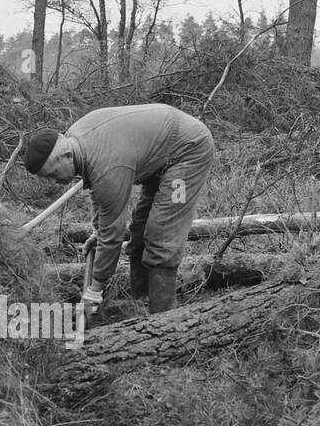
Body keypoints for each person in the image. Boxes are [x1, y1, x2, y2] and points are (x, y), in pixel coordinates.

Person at [23, 103, 216, 318]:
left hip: (188, 152)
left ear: (67, 156)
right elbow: (100, 196)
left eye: (51, 174)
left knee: (162, 233)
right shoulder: (77, 140)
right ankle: (141, 305)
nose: (53, 181)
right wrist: (98, 231)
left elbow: (113, 235)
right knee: (140, 231)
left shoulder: (107, 166)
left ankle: (163, 319)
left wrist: (95, 289)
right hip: (162, 153)